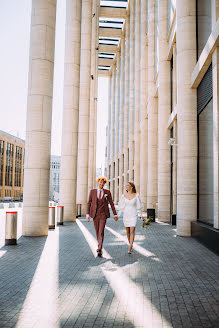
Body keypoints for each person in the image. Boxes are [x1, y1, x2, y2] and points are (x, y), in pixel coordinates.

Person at [86, 176, 118, 257]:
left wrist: (115, 214)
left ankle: (99, 248)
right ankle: (99, 245)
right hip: (95, 215)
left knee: (101, 231)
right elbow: (89, 203)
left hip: (103, 215)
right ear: (98, 182)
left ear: (104, 184)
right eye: (100, 182)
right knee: (97, 231)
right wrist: (87, 214)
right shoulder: (93, 191)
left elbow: (111, 203)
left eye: (103, 182)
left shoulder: (107, 192)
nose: (101, 184)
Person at [118, 182, 142, 254]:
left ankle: (130, 246)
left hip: (133, 214)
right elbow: (121, 207)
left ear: (131, 187)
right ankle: (130, 244)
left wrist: (140, 214)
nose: (126, 186)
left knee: (132, 231)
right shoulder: (123, 196)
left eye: (128, 185)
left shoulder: (137, 195)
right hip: (126, 215)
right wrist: (117, 215)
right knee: (127, 231)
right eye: (126, 185)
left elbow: (139, 206)